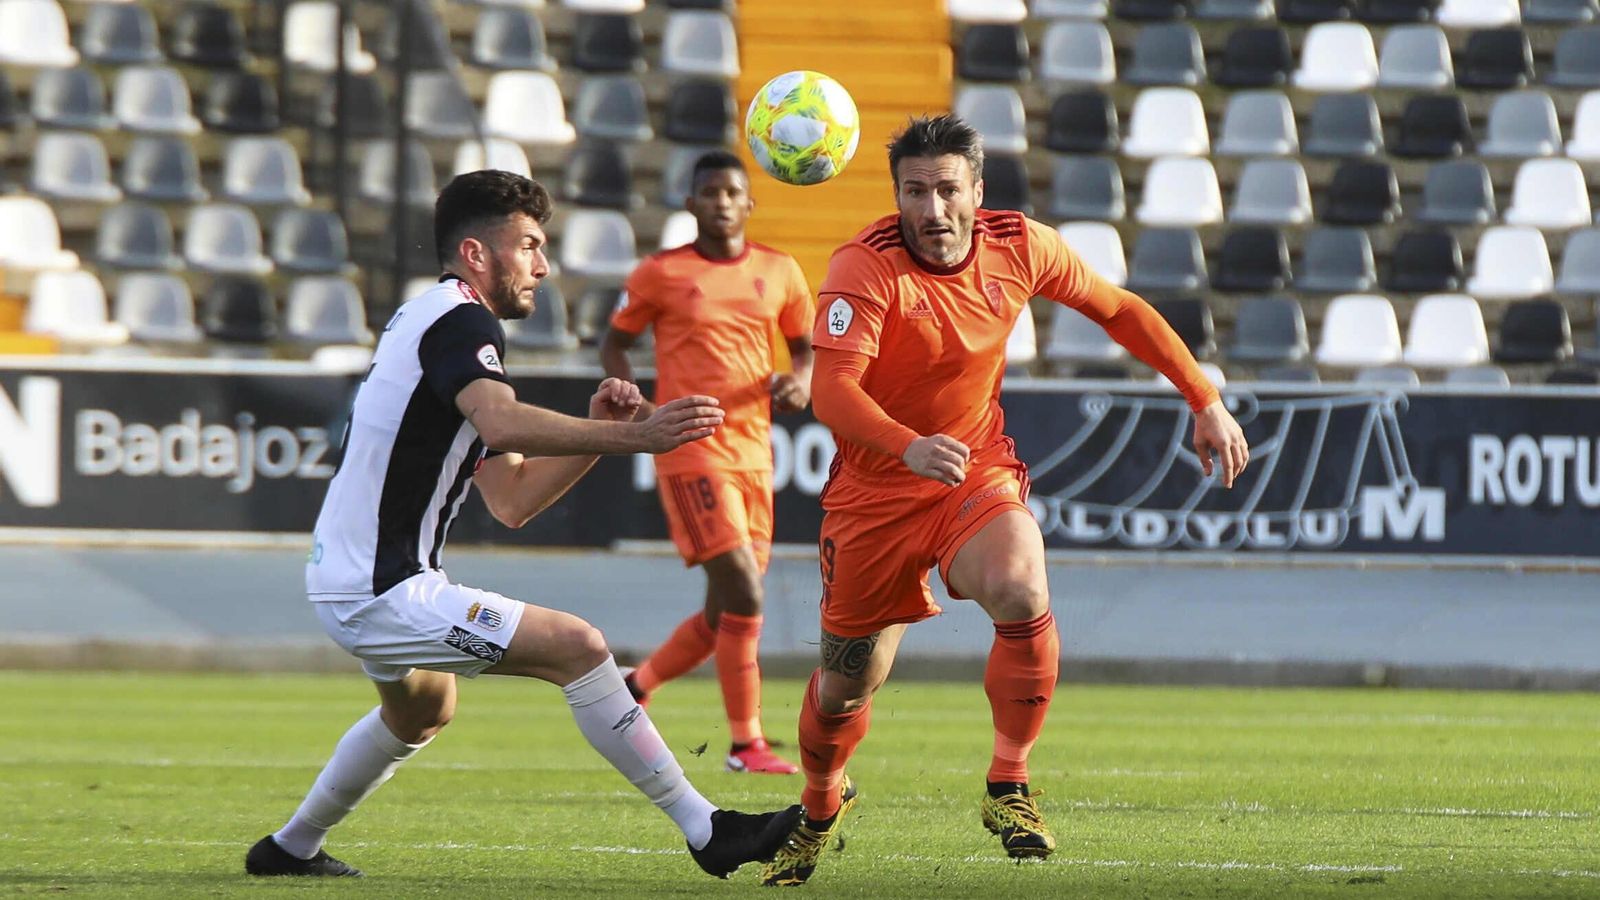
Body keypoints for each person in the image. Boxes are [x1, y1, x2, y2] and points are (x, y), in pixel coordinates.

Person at [244, 170, 800, 880]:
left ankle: (289, 848)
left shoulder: (435, 322)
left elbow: (511, 496)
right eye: (531, 245)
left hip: (360, 579)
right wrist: (643, 437)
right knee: (578, 645)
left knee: (422, 710)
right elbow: (503, 420)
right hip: (378, 587)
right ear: (477, 254)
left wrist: (602, 431)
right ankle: (707, 829)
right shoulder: (461, 321)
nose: (543, 265)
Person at [759, 117, 1251, 887]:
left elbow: (1118, 310)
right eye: (914, 192)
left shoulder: (1020, 244)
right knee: (845, 685)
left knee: (1022, 586)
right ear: (897, 198)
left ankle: (1008, 784)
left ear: (976, 192)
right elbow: (832, 390)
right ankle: (820, 807)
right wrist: (905, 444)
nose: (932, 209)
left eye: (947, 188)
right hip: (876, 494)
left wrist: (1203, 396)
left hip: (970, 470)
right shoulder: (864, 265)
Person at [600, 151, 815, 775]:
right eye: (709, 192)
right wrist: (627, 392)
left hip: (754, 453)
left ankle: (635, 687)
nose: (721, 202)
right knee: (746, 589)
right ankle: (745, 744)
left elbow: (805, 349)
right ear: (690, 204)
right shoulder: (661, 272)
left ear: (750, 203)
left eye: (732, 192)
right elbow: (615, 339)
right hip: (690, 447)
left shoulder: (780, 270)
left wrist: (800, 381)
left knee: (727, 608)